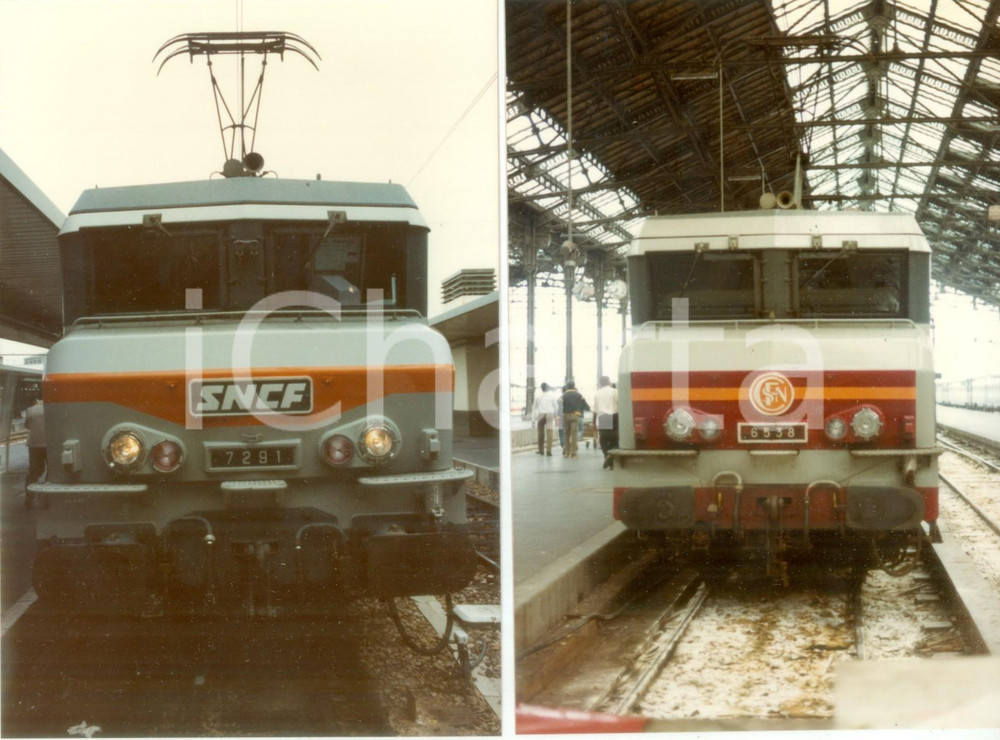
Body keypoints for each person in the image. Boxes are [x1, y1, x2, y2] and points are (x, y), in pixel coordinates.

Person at [24, 398, 46, 509]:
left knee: (34, 471)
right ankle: (47, 498)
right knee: (52, 470)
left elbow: (27, 426)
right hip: (49, 443)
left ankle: (29, 498)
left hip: (34, 444)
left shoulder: (30, 410)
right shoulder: (50, 408)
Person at [593, 375, 619, 469]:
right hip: (614, 415)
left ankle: (607, 456)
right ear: (608, 382)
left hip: (603, 416)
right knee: (614, 440)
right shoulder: (615, 391)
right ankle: (611, 457)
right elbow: (619, 404)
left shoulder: (598, 393)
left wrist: (593, 422)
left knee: (603, 440)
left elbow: (595, 409)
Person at [560, 381, 590, 458]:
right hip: (575, 416)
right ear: (574, 386)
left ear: (567, 386)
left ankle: (566, 453)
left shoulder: (563, 395)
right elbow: (585, 405)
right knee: (574, 434)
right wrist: (582, 410)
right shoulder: (578, 395)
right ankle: (573, 454)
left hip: (566, 416)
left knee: (567, 434)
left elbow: (559, 405)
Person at [531, 382, 559, 456]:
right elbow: (556, 407)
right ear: (548, 388)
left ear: (541, 388)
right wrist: (556, 416)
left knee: (540, 433)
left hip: (541, 415)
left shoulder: (538, 397)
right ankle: (549, 451)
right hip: (549, 415)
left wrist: (533, 419)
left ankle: (541, 450)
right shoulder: (552, 396)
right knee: (550, 432)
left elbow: (534, 408)